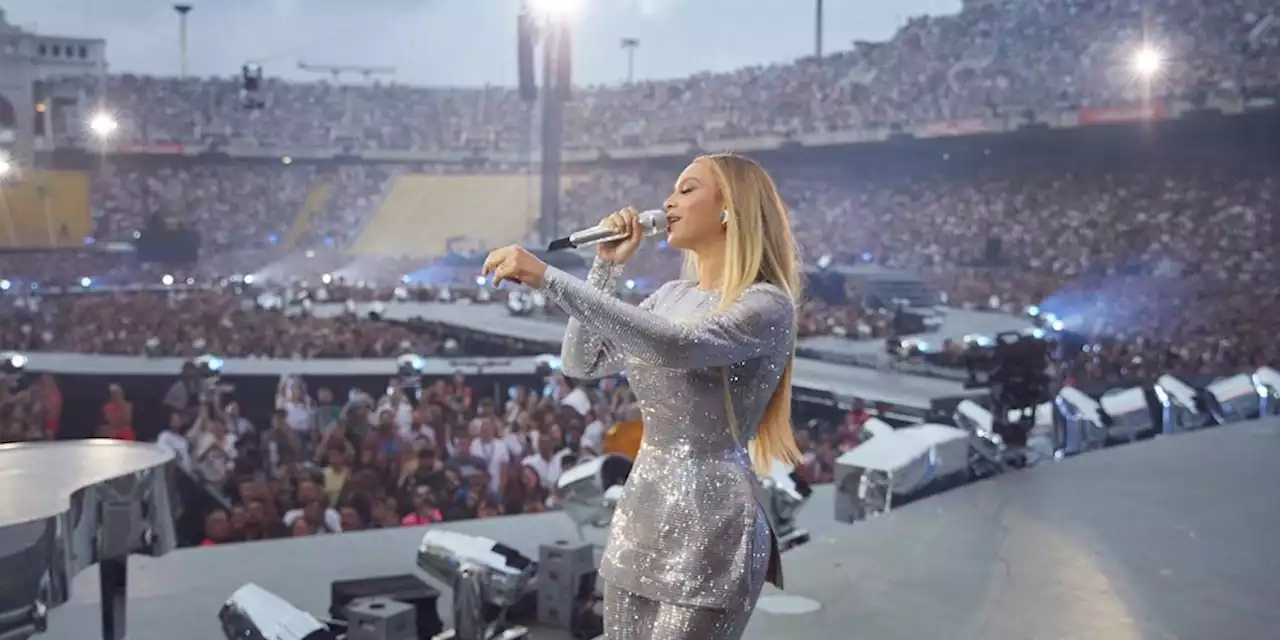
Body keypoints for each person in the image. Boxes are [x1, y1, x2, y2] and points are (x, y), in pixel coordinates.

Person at [482, 153, 803, 639]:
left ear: (729, 207)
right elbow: (581, 362)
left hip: (711, 524)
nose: (668, 202)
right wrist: (603, 269)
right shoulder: (671, 296)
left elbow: (675, 346)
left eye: (687, 189)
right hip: (642, 511)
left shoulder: (766, 305)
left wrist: (546, 277)